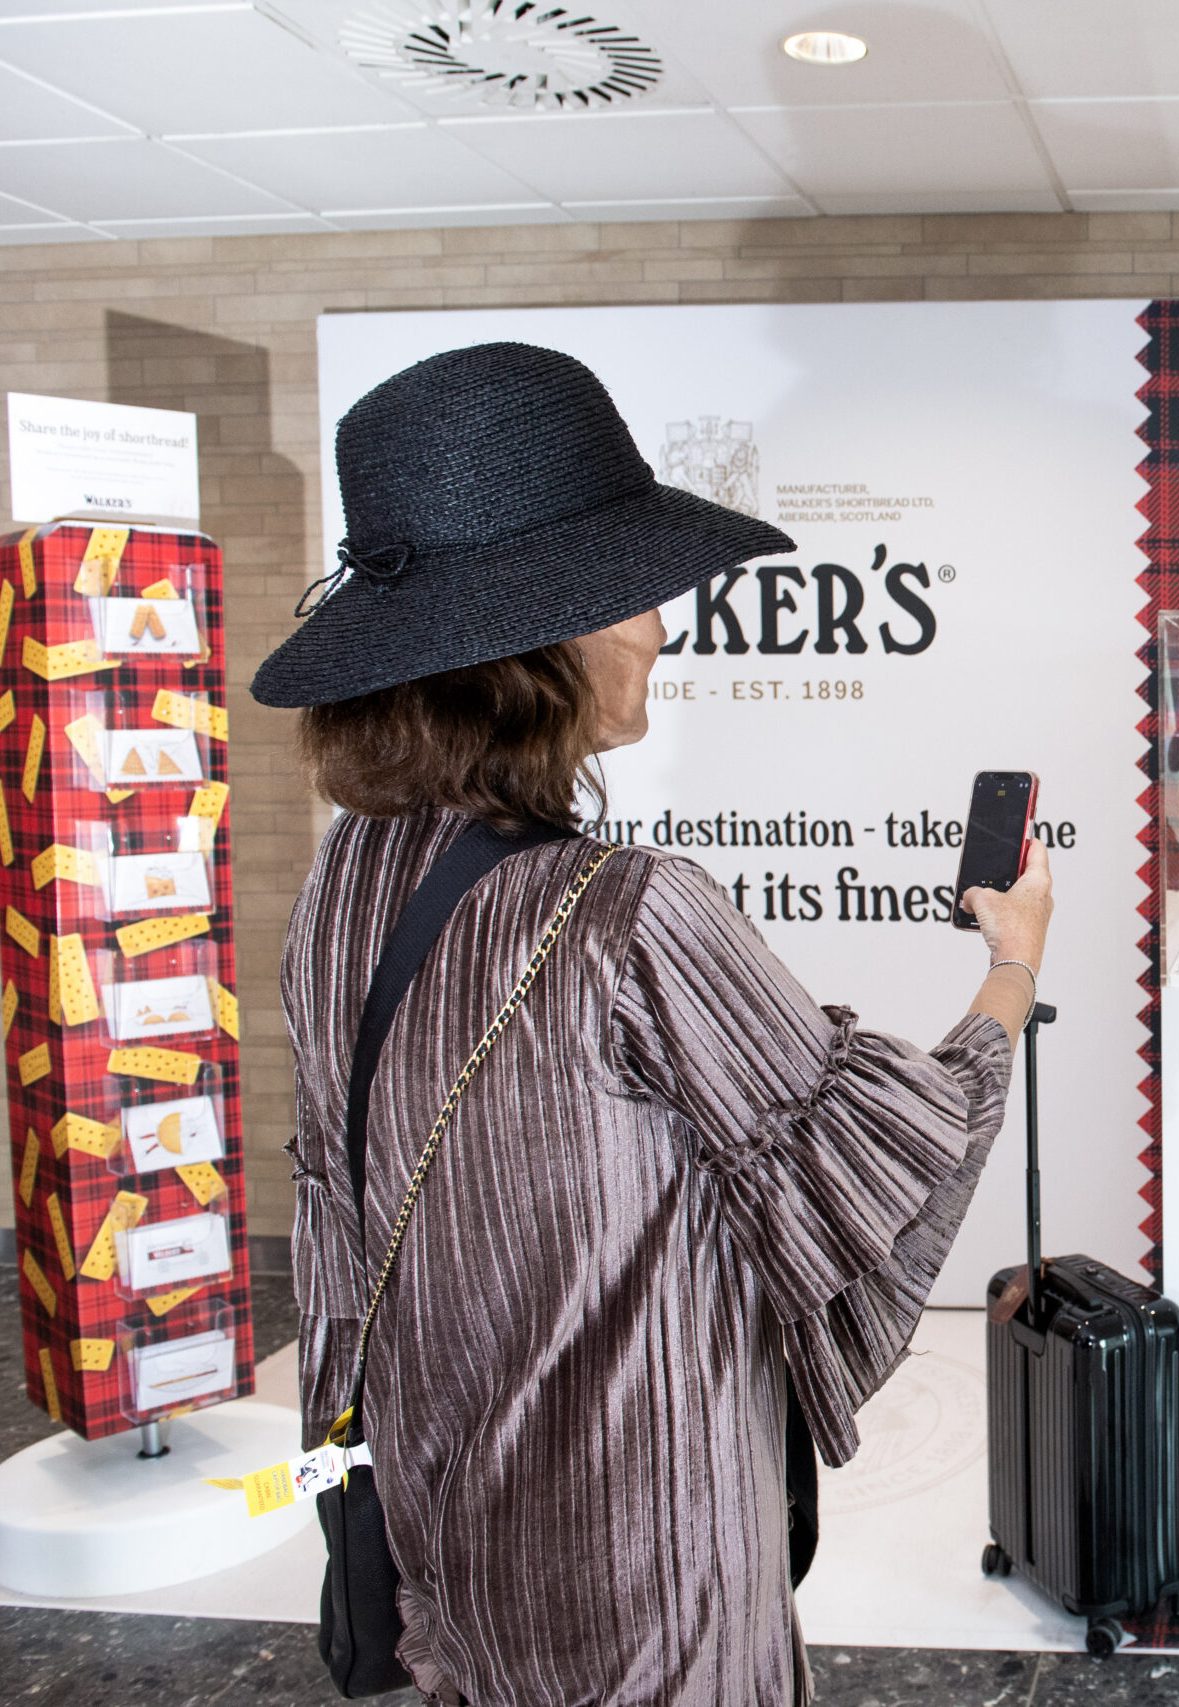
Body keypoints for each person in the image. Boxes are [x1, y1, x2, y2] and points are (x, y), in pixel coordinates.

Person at [249, 342, 1052, 1705]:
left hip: (441, 1510)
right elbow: (871, 1168)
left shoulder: (345, 880)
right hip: (638, 1551)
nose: (660, 630)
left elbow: (340, 1200)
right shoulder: (628, 915)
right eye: (629, 596)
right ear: (543, 640)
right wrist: (1009, 976)